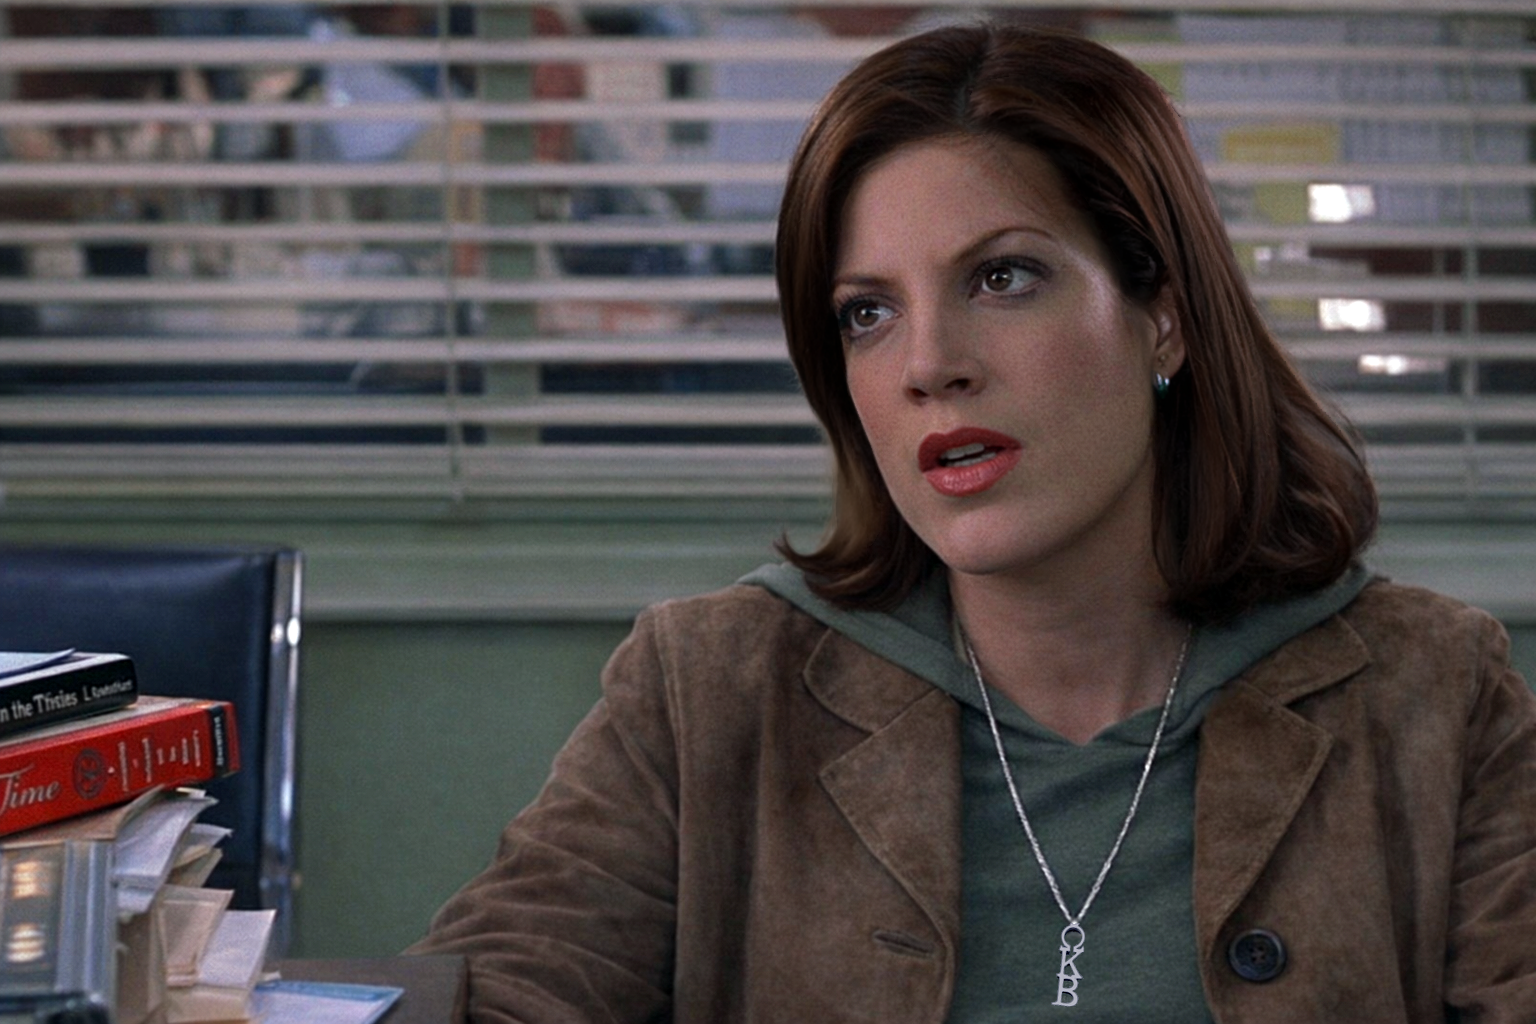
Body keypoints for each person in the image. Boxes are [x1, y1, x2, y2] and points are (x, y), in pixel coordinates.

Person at [410, 22, 1536, 1022]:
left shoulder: (1434, 692)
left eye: (1002, 278)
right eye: (868, 312)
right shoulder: (709, 692)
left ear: (1164, 317)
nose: (929, 365)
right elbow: (498, 987)